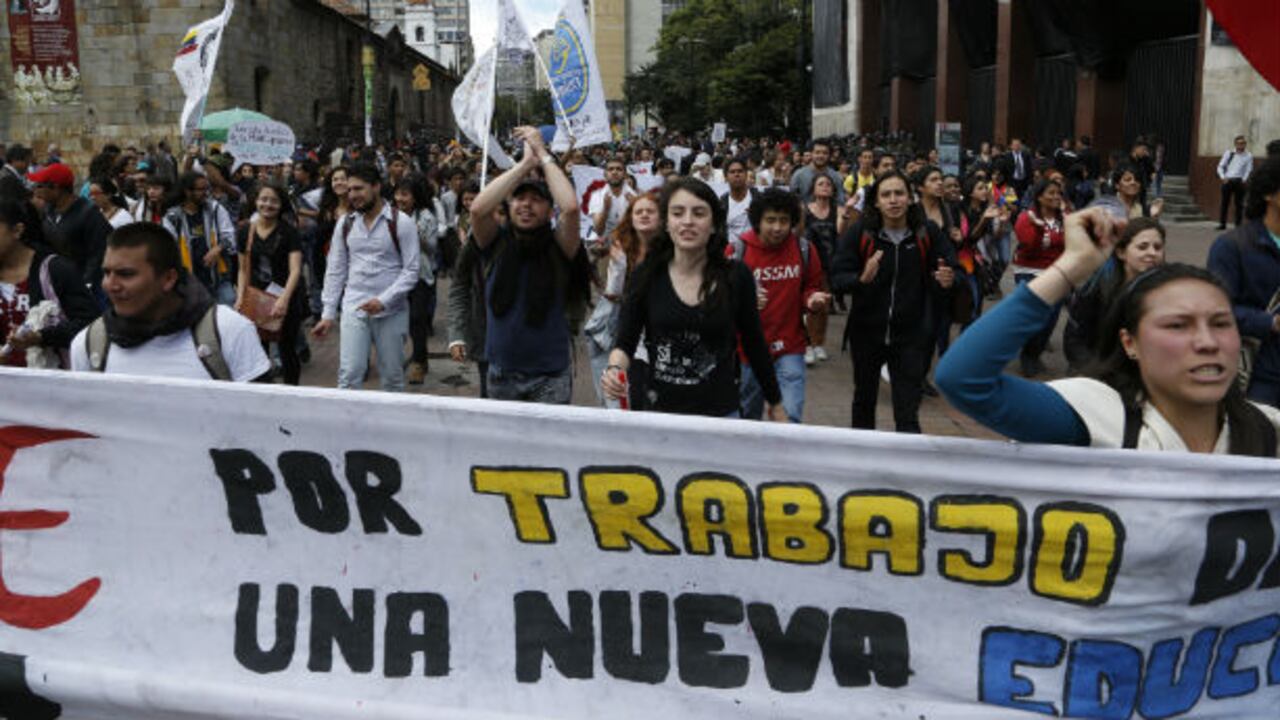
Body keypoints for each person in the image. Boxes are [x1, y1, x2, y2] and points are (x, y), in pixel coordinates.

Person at [937, 207, 1279, 455]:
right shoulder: (1099, 417)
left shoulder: (1266, 431)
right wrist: (1072, 266)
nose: (1207, 342)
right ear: (1130, 343)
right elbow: (963, 379)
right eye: (1177, 325)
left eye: (1221, 323)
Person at [602, 178, 783, 419]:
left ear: (714, 224)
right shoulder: (646, 275)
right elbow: (625, 341)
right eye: (678, 213)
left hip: (721, 416)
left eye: (699, 213)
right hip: (660, 416)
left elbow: (755, 345)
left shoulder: (736, 276)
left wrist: (775, 401)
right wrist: (615, 370)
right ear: (666, 223)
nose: (688, 221)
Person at [468, 126, 589, 404]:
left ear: (549, 210)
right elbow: (477, 209)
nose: (526, 205)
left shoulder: (560, 245)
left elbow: (570, 208)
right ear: (509, 207)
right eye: (520, 198)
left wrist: (543, 156)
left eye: (536, 200)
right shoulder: (494, 242)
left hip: (550, 376)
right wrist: (524, 165)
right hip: (501, 372)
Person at [829, 170, 954, 432]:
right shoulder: (862, 233)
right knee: (864, 402)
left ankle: (908, 468)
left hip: (911, 336)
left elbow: (952, 271)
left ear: (911, 198)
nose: (893, 200)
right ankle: (862, 465)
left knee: (907, 411)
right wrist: (860, 279)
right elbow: (837, 277)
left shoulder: (925, 233)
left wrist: (947, 279)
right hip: (866, 333)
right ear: (876, 201)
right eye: (886, 195)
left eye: (899, 193)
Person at [70, 222, 270, 382]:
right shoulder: (88, 345)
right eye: (106, 273)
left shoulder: (230, 331)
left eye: (126, 274)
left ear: (168, 279)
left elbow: (266, 422)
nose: (110, 285)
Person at [312, 163, 420, 392]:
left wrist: (383, 300)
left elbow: (411, 271)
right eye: (350, 190)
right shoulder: (345, 224)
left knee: (392, 377)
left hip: (391, 312)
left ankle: (391, 426)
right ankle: (349, 426)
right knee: (349, 375)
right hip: (354, 307)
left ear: (376, 187)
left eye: (358, 189)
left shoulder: (401, 223)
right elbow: (335, 269)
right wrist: (328, 313)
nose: (352, 195)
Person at [730, 188, 829, 421]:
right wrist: (744, 302)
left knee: (790, 415)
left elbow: (811, 286)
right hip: (748, 351)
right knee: (748, 418)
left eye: (784, 221)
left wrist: (812, 300)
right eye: (770, 220)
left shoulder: (804, 249)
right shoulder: (738, 250)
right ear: (758, 220)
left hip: (790, 347)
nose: (777, 227)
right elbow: (721, 299)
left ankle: (781, 455)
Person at [1207, 156, 1280, 407]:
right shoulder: (1232, 246)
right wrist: (1270, 322)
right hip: (1260, 376)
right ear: (1270, 195)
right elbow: (1216, 312)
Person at [0, 198, 99, 368]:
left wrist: (41, 337)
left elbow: (90, 324)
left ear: (17, 230)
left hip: (49, 382)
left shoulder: (56, 270)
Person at [584, 192, 660, 406]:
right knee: (629, 397)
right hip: (629, 335)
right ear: (631, 218)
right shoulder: (621, 247)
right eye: (639, 211)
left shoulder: (671, 252)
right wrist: (618, 269)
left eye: (650, 211)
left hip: (660, 335)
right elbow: (612, 295)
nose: (644, 215)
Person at [1063, 218, 1166, 374]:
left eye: (1157, 247)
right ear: (1121, 252)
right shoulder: (1097, 289)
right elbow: (1075, 340)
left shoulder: (1169, 292)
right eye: (1142, 247)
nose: (1152, 253)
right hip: (1096, 373)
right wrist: (1094, 372)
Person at [235, 184, 306, 385]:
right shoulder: (244, 231)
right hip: (256, 298)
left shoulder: (289, 232)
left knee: (287, 350)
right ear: (255, 201)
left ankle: (292, 393)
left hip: (285, 299)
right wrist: (240, 297)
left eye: (274, 201)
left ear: (281, 205)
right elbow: (242, 269)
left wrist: (284, 299)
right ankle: (266, 394)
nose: (268, 204)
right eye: (264, 199)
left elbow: (295, 270)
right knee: (258, 351)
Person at [29, 162, 113, 305]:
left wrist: (87, 284)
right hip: (60, 286)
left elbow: (99, 253)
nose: (36, 191)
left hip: (88, 290)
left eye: (40, 186)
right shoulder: (48, 212)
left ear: (55, 188)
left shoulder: (89, 214)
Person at [1010, 179, 1067, 377]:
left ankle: (1034, 353)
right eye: (1051, 193)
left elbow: (1071, 246)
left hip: (1057, 273)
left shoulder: (1064, 218)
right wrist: (1039, 228)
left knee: (1051, 318)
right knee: (1036, 317)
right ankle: (1027, 355)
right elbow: (1029, 247)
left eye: (1058, 193)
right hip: (1029, 270)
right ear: (1039, 196)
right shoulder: (1027, 217)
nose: (1056, 196)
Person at [162, 171, 238, 306]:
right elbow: (168, 249)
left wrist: (218, 248)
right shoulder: (172, 217)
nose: (206, 193)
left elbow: (230, 235)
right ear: (187, 191)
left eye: (207, 188)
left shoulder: (215, 209)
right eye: (201, 189)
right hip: (190, 284)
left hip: (219, 278)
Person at [394, 174, 442, 385]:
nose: (400, 198)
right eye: (397, 194)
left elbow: (432, 248)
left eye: (405, 194)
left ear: (415, 196)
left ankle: (419, 362)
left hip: (420, 275)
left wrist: (414, 234)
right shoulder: (391, 216)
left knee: (417, 319)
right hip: (395, 274)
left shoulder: (426, 216)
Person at [802, 174, 840, 360]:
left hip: (828, 264)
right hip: (807, 263)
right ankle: (807, 344)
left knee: (823, 306)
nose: (825, 187)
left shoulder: (838, 211)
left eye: (828, 184)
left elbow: (841, 232)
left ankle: (819, 343)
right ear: (813, 188)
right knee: (808, 305)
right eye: (820, 184)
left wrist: (846, 215)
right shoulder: (805, 210)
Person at [588, 157, 637, 241]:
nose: (614, 172)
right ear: (605, 175)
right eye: (610, 169)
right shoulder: (597, 196)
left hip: (629, 242)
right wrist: (606, 209)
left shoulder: (634, 197)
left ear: (625, 174)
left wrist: (633, 207)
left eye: (619, 169)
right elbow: (599, 231)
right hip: (606, 244)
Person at [789, 138, 845, 204]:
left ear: (829, 155)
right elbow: (792, 200)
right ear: (811, 154)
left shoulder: (836, 177)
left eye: (825, 153)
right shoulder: (799, 175)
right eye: (817, 152)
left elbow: (840, 201)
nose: (821, 156)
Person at [1217, 135, 1253, 230]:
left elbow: (1248, 170)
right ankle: (1222, 224)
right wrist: (1223, 177)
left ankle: (1238, 225)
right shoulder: (1229, 153)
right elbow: (1220, 166)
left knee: (1239, 205)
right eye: (1239, 143)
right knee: (1225, 203)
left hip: (1239, 182)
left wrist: (1244, 180)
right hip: (1228, 181)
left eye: (1243, 143)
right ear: (1235, 144)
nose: (1241, 145)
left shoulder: (1248, 155)